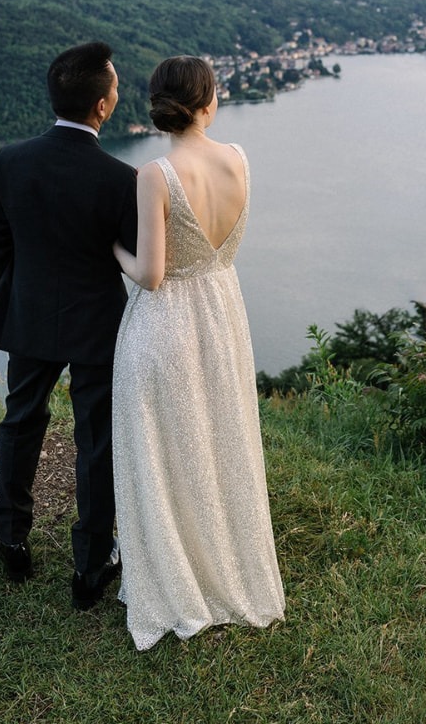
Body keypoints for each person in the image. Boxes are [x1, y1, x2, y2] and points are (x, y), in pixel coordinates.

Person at [111, 55, 285, 650]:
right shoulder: (238, 159)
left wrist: (114, 250)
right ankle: (226, 562)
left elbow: (152, 275)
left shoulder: (154, 175)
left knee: (166, 449)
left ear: (160, 105)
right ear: (208, 101)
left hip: (167, 323)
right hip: (222, 313)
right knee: (219, 438)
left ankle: (178, 573)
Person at [0, 41, 138, 610]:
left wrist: (14, 297)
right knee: (96, 439)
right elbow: (137, 257)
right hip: (98, 324)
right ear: (101, 108)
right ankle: (91, 567)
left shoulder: (10, 160)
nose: (117, 94)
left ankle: (10, 537)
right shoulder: (123, 179)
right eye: (115, 88)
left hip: (31, 316)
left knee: (21, 419)